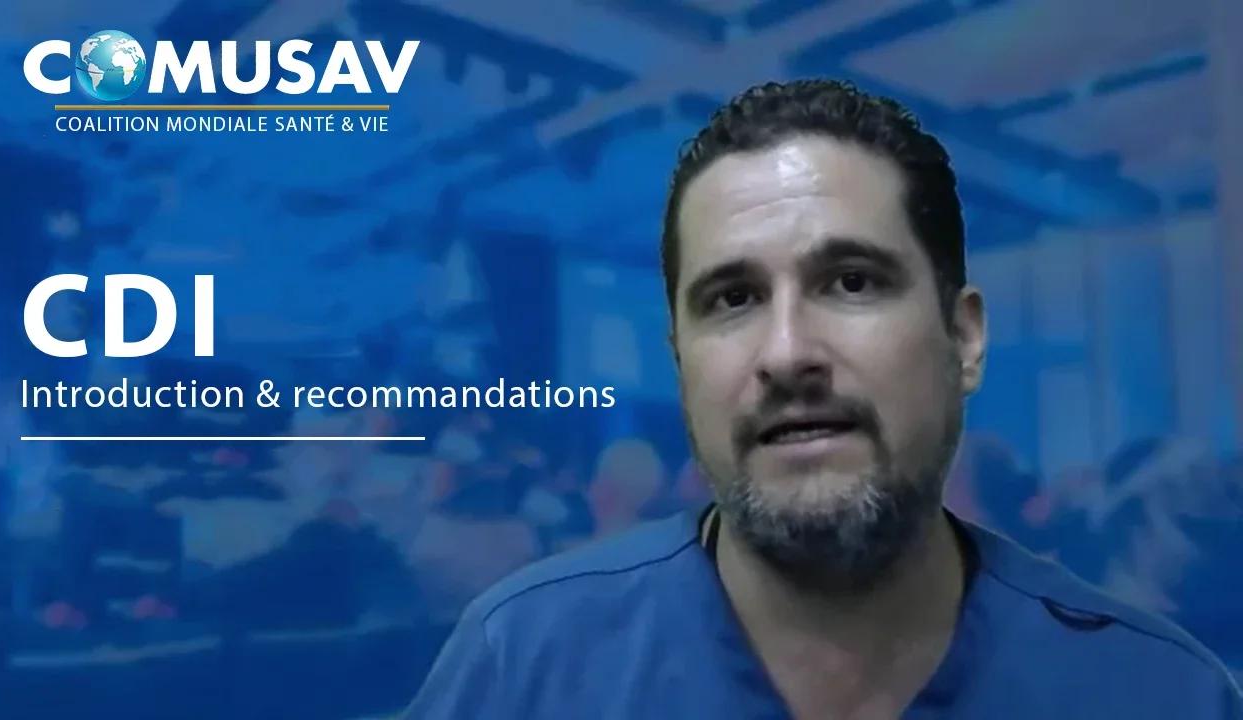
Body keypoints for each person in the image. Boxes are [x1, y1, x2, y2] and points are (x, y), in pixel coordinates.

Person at [405, 79, 1243, 719]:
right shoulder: (523, 667)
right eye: (732, 298)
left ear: (963, 339)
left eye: (852, 282)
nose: (786, 353)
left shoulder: (1159, 695)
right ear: (681, 364)